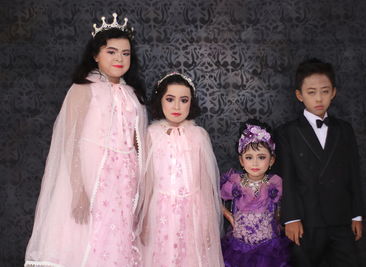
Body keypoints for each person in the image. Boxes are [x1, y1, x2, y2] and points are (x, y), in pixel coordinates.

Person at [24, 13, 147, 267]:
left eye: (125, 53)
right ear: (96, 55)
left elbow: (136, 142)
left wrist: (140, 183)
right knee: (90, 237)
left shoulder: (132, 94)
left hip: (125, 181)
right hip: (94, 177)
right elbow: (71, 141)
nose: (119, 59)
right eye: (111, 51)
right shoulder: (83, 89)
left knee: (119, 239)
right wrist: (79, 189)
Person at [275, 58, 364, 267]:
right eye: (311, 92)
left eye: (324, 91)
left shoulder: (344, 130)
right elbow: (286, 178)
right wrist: (291, 218)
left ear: (333, 92)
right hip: (306, 221)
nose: (319, 98)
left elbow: (354, 172)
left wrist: (357, 214)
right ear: (299, 95)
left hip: (341, 218)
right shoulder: (287, 132)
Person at [139, 72, 224, 267]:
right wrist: (144, 220)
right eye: (170, 99)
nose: (177, 106)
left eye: (183, 100)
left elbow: (204, 183)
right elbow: (147, 181)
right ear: (160, 100)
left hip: (192, 213)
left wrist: (207, 225)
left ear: (191, 103)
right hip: (160, 212)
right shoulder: (151, 135)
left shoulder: (199, 135)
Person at [220, 121, 291, 267]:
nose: (255, 163)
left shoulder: (275, 183)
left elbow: (288, 203)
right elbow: (213, 197)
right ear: (241, 160)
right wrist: (227, 214)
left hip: (268, 247)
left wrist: (278, 219)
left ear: (271, 160)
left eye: (261, 157)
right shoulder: (235, 182)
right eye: (249, 157)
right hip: (239, 247)